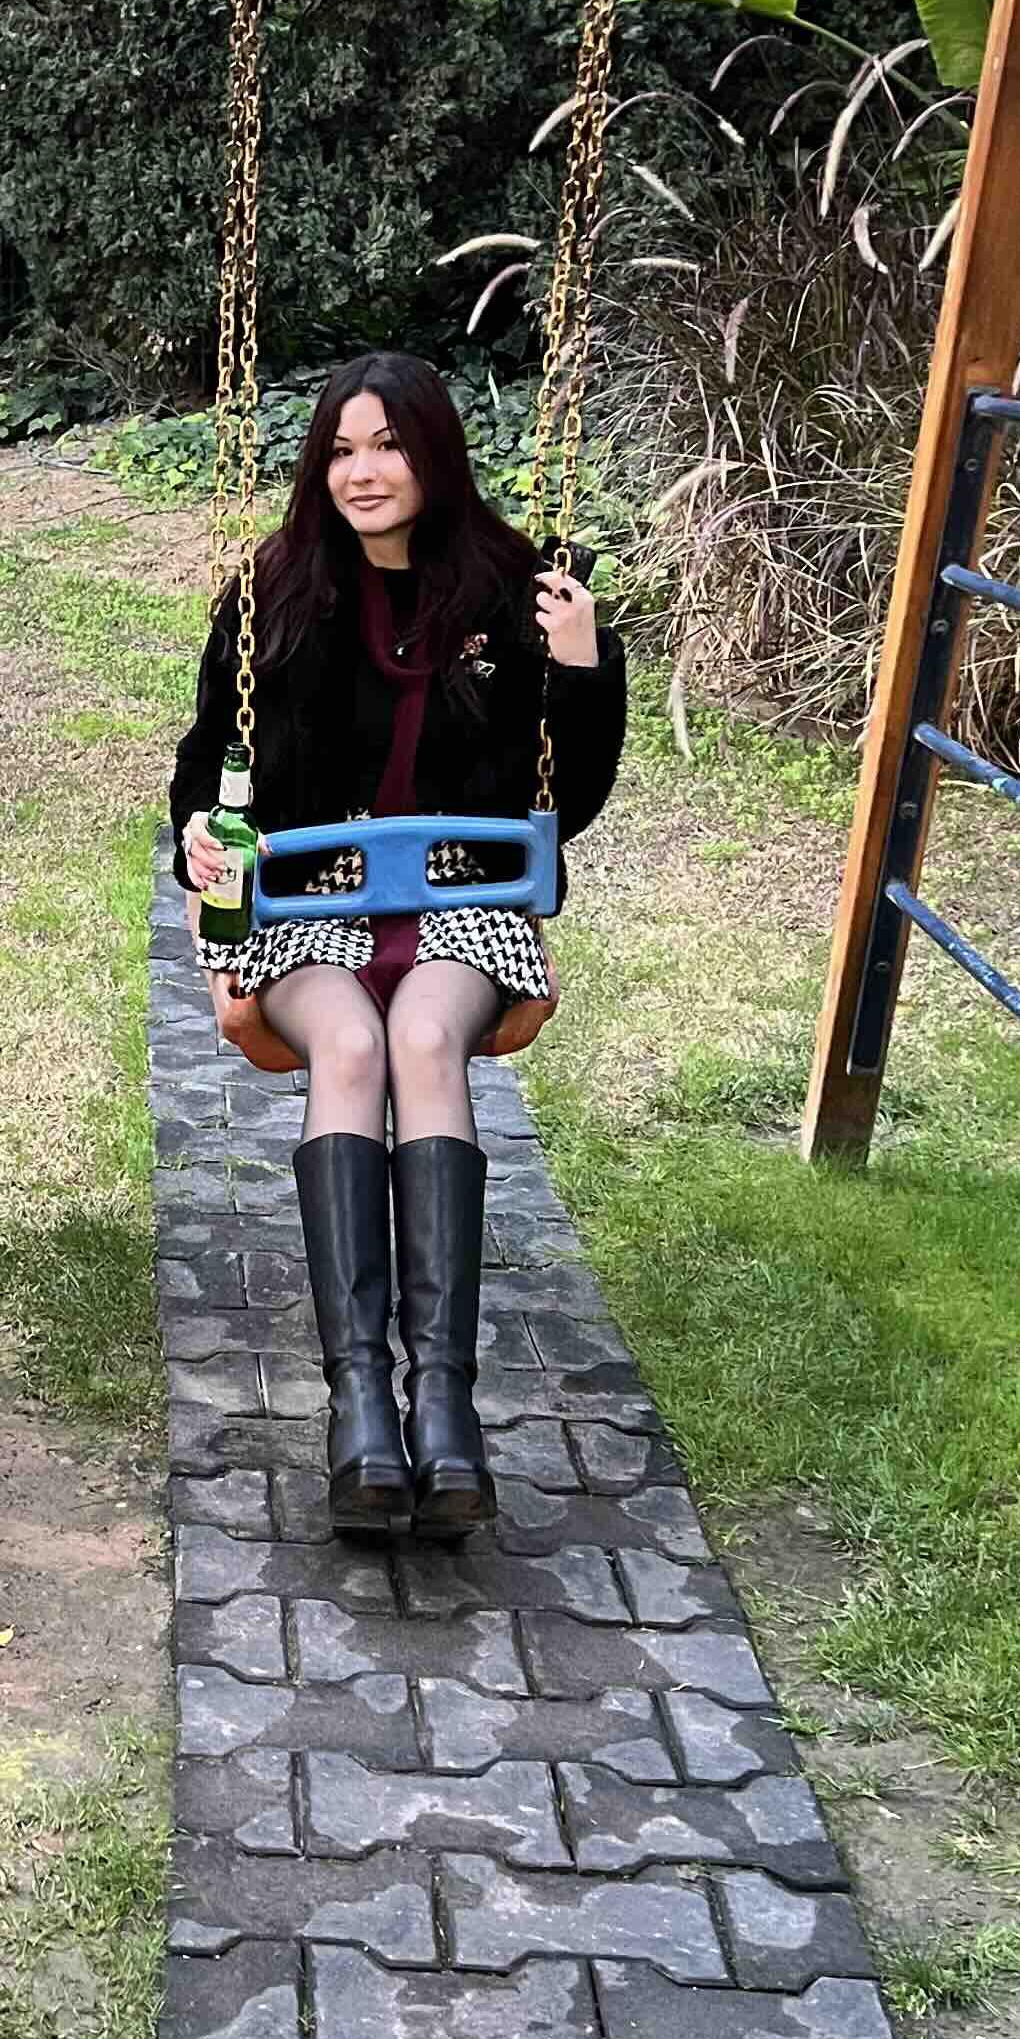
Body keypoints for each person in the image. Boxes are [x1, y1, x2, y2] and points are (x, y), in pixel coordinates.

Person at [169, 353, 624, 1541]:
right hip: (309, 906)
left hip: (464, 900)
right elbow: (206, 762)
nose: (362, 472)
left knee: (423, 1037)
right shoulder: (274, 589)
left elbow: (567, 801)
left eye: (387, 446)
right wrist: (200, 843)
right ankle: (362, 1404)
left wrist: (580, 665)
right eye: (340, 450)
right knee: (353, 1050)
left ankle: (447, 1407)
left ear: (434, 453)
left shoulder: (517, 591)